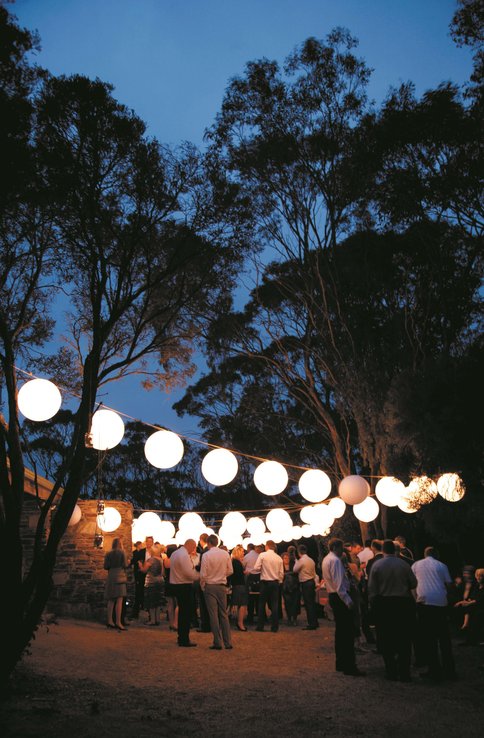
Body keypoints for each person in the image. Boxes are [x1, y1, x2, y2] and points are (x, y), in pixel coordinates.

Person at [368, 539, 417, 682]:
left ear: (383, 550)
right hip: (402, 603)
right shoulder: (404, 564)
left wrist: (374, 605)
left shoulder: (377, 565)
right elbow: (414, 583)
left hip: (385, 604)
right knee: (404, 638)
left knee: (386, 637)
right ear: (395, 550)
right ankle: (404, 672)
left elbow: (372, 589)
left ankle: (391, 671)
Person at [411, 546, 456, 680]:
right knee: (444, 638)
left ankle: (434, 669)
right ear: (436, 554)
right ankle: (449, 670)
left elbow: (412, 584)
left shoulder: (416, 565)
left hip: (424, 602)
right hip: (440, 602)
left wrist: (416, 598)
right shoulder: (442, 565)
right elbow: (449, 584)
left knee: (429, 638)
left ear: (425, 554)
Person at [322, 538, 364, 677]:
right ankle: (349, 665)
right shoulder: (335, 561)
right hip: (340, 598)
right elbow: (340, 585)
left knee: (340, 632)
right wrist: (348, 601)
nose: (343, 551)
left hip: (333, 596)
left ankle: (340, 662)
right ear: (335, 547)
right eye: (341, 548)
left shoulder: (326, 559)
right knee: (347, 633)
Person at [200, 534, 233, 650]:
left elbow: (203, 574)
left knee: (213, 615)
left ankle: (217, 642)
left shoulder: (206, 555)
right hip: (221, 585)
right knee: (223, 613)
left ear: (209, 543)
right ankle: (228, 642)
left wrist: (202, 585)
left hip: (210, 585)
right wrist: (222, 575)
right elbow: (230, 570)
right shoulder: (225, 554)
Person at [169, 539, 200, 647]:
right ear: (190, 545)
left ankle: (181, 637)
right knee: (185, 613)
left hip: (176, 584)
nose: (193, 550)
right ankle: (184, 638)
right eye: (194, 547)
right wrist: (199, 575)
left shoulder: (175, 553)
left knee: (182, 611)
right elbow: (189, 574)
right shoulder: (184, 555)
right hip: (184, 585)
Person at [253, 540, 284, 633]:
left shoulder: (262, 555)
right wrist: (279, 581)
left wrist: (263, 569)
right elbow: (281, 573)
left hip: (265, 582)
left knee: (262, 604)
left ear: (267, 546)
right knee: (274, 605)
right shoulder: (279, 558)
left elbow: (256, 568)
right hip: (275, 583)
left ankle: (260, 626)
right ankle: (274, 627)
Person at [104, 537, 129, 631]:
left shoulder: (108, 553)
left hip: (111, 576)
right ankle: (118, 622)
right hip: (119, 575)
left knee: (111, 599)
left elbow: (105, 566)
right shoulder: (122, 552)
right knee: (119, 599)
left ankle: (110, 621)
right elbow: (125, 565)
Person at [138, 543, 165, 627]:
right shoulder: (161, 559)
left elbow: (144, 570)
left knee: (151, 601)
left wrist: (140, 565)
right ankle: (157, 619)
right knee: (157, 601)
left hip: (151, 581)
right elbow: (163, 572)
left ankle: (152, 620)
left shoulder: (151, 560)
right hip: (160, 581)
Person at [293, 544, 318, 630]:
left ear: (299, 552)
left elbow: (295, 570)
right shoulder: (311, 560)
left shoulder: (302, 560)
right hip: (311, 582)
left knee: (308, 604)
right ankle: (315, 621)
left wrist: (296, 561)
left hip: (306, 583)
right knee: (312, 603)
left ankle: (311, 624)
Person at [229, 545, 249, 631]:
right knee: (242, 604)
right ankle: (240, 623)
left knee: (237, 604)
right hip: (240, 585)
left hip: (236, 585)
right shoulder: (237, 563)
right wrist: (245, 573)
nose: (243, 553)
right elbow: (238, 575)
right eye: (242, 551)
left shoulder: (233, 561)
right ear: (238, 552)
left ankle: (239, 622)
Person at [244, 543, 262, 625]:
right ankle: (260, 616)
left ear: (248, 548)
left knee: (250, 598)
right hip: (258, 577)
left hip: (250, 578)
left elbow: (243, 566)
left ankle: (250, 617)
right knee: (259, 598)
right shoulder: (259, 555)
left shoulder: (247, 556)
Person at [282, 550, 300, 626]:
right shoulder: (281, 566)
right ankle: (289, 618)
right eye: (284, 558)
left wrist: (287, 574)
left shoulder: (294, 565)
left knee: (295, 603)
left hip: (294, 587)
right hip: (285, 588)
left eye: (287, 558)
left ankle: (295, 618)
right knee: (287, 603)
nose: (286, 559)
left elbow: (297, 573)